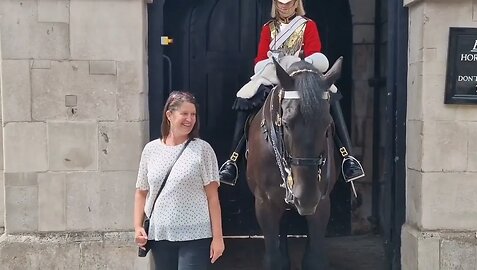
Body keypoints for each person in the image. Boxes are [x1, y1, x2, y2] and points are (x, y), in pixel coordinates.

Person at [219, 0, 365, 186]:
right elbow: (261, 56)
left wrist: (299, 62)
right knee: (245, 96)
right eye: (280, 3)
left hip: (302, 73)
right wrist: (275, 62)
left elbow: (314, 52)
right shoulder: (268, 28)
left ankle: (347, 158)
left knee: (330, 94)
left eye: (288, 3)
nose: (284, 7)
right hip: (273, 74)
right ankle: (233, 161)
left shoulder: (308, 25)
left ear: (297, 4)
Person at [134, 91, 225, 270]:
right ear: (169, 115)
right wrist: (137, 226)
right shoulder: (150, 150)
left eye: (193, 114)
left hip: (195, 234)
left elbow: (213, 198)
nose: (190, 119)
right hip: (160, 234)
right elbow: (141, 191)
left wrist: (218, 238)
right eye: (184, 114)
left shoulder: (202, 150)